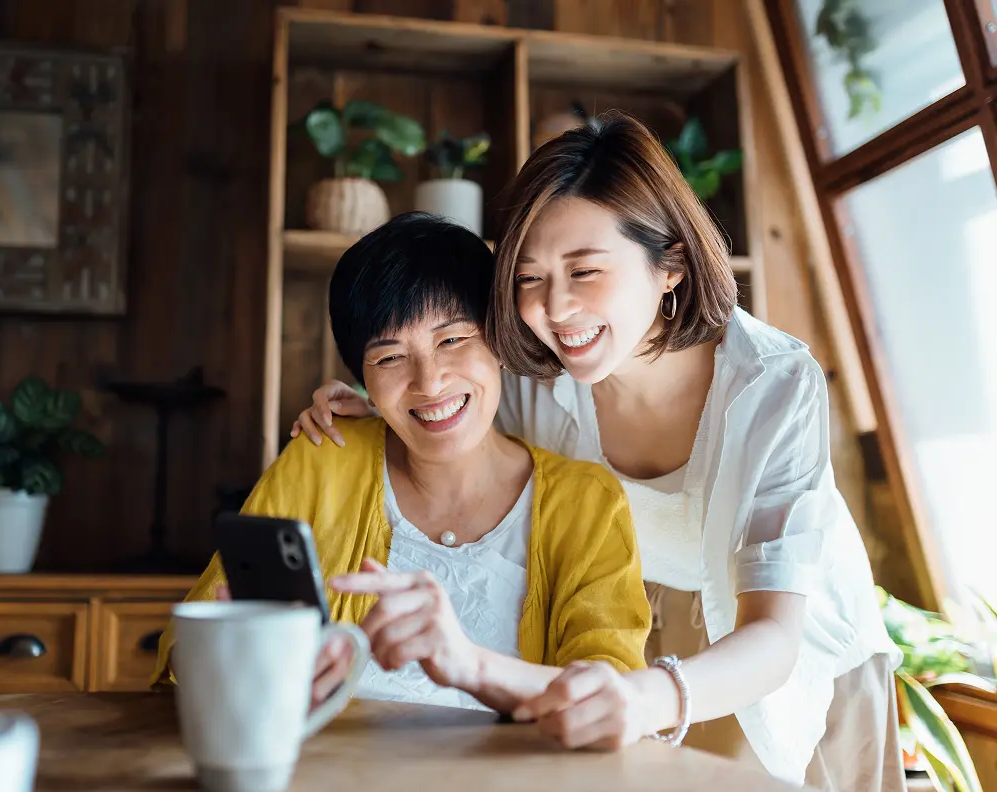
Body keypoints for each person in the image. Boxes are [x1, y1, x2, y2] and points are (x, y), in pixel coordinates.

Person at [290, 113, 903, 792]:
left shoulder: (774, 384)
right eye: (528, 278)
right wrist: (365, 405)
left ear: (669, 263)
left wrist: (649, 695)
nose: (554, 309)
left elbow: (774, 637)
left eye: (584, 271)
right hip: (635, 635)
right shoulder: (534, 373)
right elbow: (444, 392)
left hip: (785, 646)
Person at [151, 212, 651, 714]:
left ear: (499, 339)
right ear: (362, 376)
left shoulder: (588, 503)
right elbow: (188, 640)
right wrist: (232, 652)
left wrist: (472, 664)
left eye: (452, 340)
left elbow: (612, 695)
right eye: (390, 358)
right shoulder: (324, 461)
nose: (429, 383)